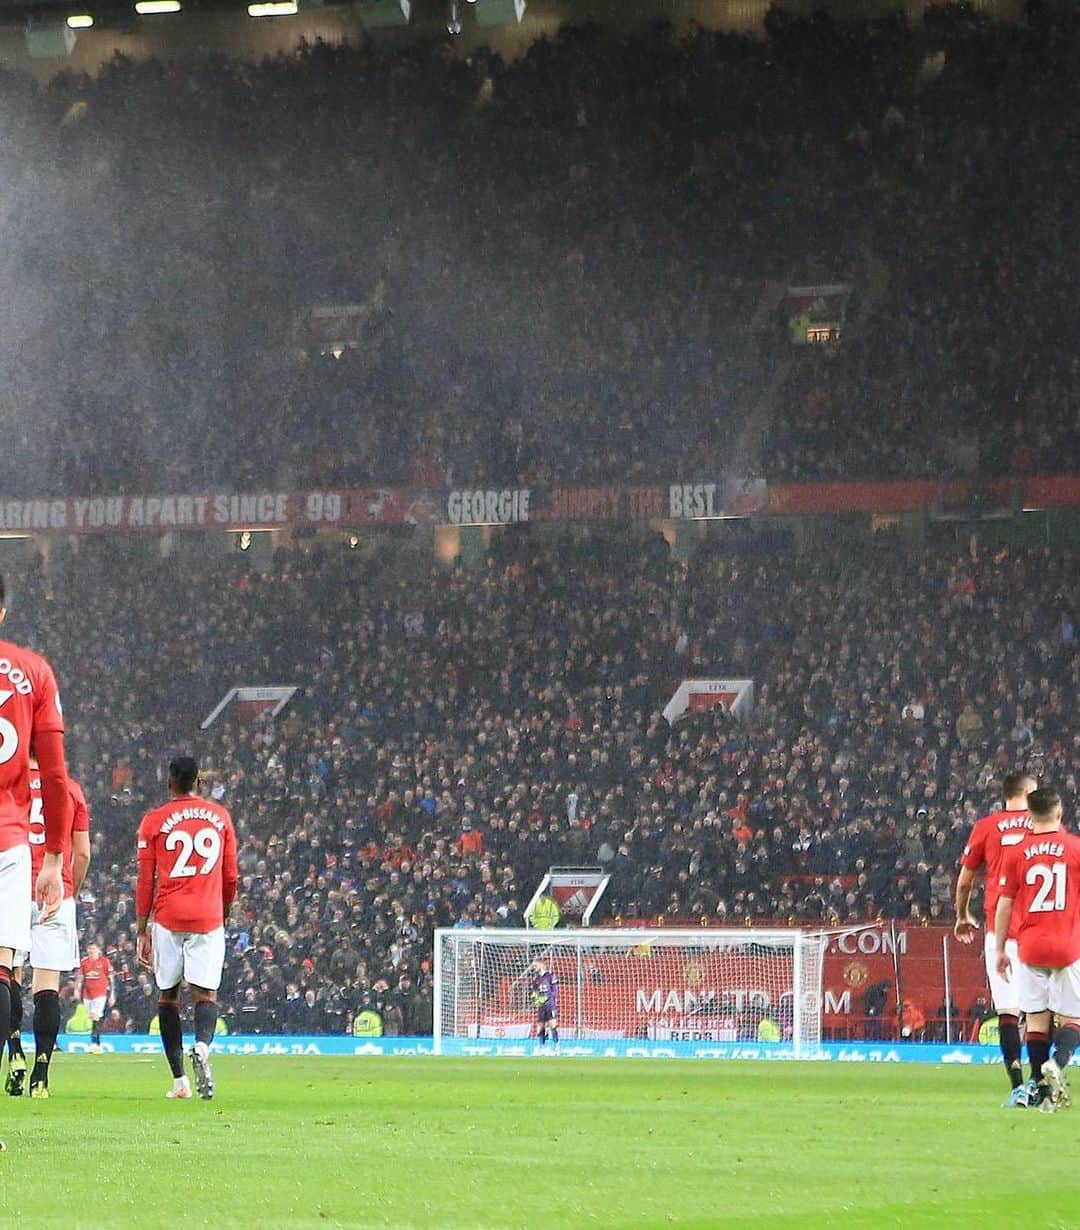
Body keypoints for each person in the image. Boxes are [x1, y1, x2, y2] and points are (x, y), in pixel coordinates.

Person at [0, 575, 73, 1082]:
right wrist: (52, 860)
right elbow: (54, 777)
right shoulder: (35, 672)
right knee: (3, 971)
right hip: (9, 841)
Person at [136, 756, 238, 1100]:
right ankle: (203, 1047)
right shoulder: (221, 818)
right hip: (208, 917)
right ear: (199, 781)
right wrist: (222, 913)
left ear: (170, 782)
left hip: (167, 917)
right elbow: (231, 876)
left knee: (168, 996)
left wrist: (141, 929)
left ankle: (180, 1082)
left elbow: (145, 881)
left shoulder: (154, 820)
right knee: (205, 994)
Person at [6, 763, 91, 1097]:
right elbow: (82, 853)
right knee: (47, 985)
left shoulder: (8, 781)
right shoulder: (69, 788)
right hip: (56, 894)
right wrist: (71, 890)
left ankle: (15, 1053)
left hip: (14, 888)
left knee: (8, 973)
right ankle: (41, 1073)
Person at [995, 788, 1080, 1113]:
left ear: (1029, 815)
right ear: (1059, 814)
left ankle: (1043, 1094)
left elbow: (1005, 903)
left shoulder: (1017, 852)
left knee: (1036, 1023)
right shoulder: (1075, 848)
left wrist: (1001, 948)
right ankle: (1057, 1063)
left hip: (1029, 946)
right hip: (1067, 944)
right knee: (1073, 1017)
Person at [954, 770, 1036, 1104]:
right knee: (1044, 1010)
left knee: (1007, 1011)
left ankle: (1017, 1085)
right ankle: (1041, 1081)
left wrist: (961, 916)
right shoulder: (1045, 826)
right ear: (1028, 792)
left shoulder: (986, 827)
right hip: (1043, 929)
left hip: (1001, 934)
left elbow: (964, 881)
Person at [76, 942, 115, 1054]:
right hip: (87, 994)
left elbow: (111, 978)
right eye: (89, 949)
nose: (91, 951)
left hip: (100, 993)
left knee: (95, 1016)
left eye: (93, 948)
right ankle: (95, 1043)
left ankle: (95, 1043)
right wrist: (77, 990)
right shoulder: (84, 962)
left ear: (98, 950)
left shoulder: (104, 962)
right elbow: (80, 977)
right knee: (92, 1017)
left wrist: (112, 994)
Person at [529, 958, 559, 1048]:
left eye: (535, 965)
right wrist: (535, 999)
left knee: (553, 1026)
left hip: (550, 1005)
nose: (534, 967)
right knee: (540, 1027)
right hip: (541, 1006)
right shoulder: (536, 978)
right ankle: (542, 1047)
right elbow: (534, 992)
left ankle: (556, 1046)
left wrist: (546, 998)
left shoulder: (550, 976)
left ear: (541, 965)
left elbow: (555, 991)